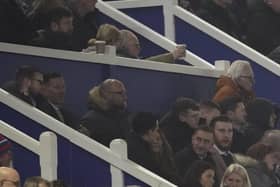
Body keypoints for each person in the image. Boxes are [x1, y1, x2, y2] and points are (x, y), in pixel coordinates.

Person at [127, 112, 180, 185]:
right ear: (150, 132)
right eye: (156, 129)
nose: (158, 133)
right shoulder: (142, 156)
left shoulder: (132, 142)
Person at [79, 79, 131, 147]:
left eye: (124, 93)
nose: (125, 97)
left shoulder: (125, 116)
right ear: (106, 94)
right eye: (120, 93)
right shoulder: (89, 121)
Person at [117, 29, 186, 63]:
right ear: (123, 45)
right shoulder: (119, 59)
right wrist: (173, 55)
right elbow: (143, 65)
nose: (139, 48)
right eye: (135, 45)